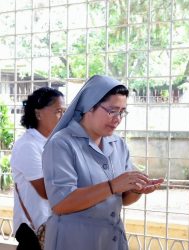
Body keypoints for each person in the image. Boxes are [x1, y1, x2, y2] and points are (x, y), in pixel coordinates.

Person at [42, 75, 164, 250]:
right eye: (112, 110)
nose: (118, 118)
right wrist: (112, 185)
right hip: (74, 241)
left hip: (110, 241)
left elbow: (122, 199)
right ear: (89, 107)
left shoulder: (118, 144)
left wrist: (136, 190)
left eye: (122, 112)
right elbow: (61, 203)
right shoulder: (61, 143)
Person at [11, 87, 65, 249]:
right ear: (38, 113)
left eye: (64, 111)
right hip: (34, 231)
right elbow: (47, 191)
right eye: (58, 111)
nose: (63, 116)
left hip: (55, 226)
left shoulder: (55, 143)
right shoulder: (28, 146)